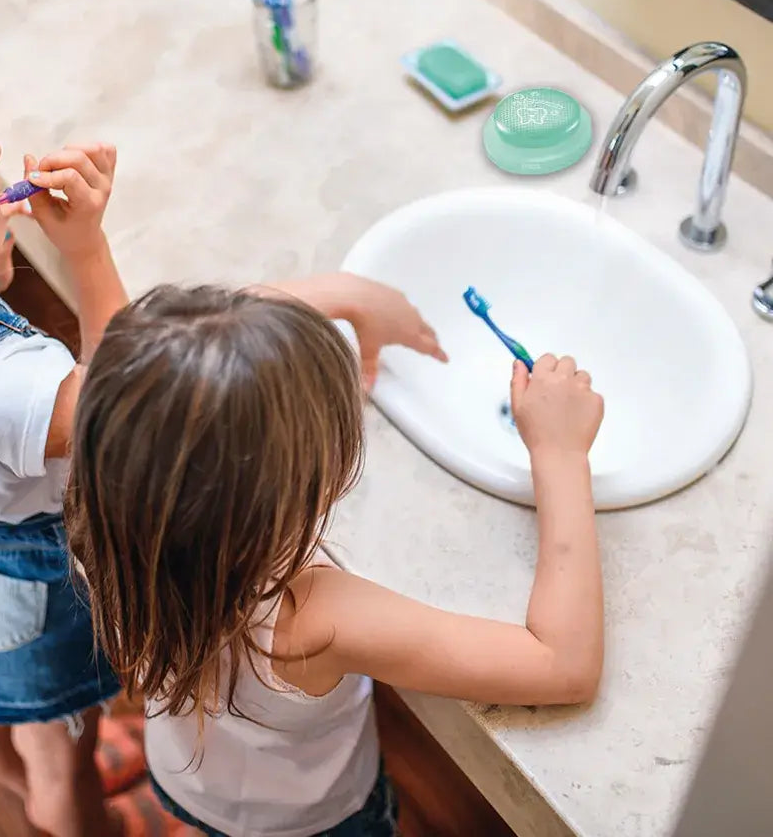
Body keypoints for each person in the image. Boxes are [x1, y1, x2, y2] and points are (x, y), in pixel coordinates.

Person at [0, 11, 441, 836]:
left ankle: (9, 760)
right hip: (23, 604)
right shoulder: (6, 393)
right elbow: (143, 377)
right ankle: (67, 815)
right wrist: (92, 250)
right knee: (60, 757)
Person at [67, 285, 605, 837]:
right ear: (287, 493)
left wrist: (350, 294)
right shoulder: (312, 613)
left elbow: (166, 358)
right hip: (311, 823)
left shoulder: (101, 504)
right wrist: (560, 454)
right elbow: (562, 666)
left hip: (185, 781)